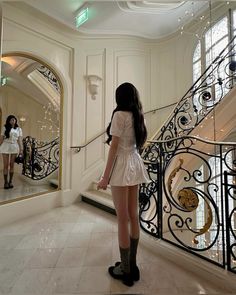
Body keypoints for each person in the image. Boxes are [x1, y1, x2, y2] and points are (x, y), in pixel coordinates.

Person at [97, 82, 150, 287]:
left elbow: (114, 148)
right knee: (133, 215)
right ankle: (132, 264)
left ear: (119, 97)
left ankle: (126, 269)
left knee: (122, 219)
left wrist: (104, 177)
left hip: (122, 165)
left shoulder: (119, 115)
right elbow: (137, 143)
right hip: (135, 162)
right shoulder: (138, 115)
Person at [0, 115, 23, 189]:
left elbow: (19, 140)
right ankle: (6, 182)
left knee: (12, 165)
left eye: (14, 120)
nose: (13, 121)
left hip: (14, 147)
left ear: (16, 121)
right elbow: (1, 138)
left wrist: (21, 149)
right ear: (8, 121)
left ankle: (10, 181)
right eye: (11, 120)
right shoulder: (5, 127)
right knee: (6, 165)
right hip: (5, 146)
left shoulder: (19, 129)